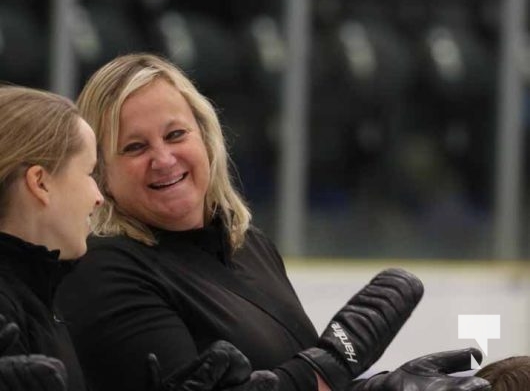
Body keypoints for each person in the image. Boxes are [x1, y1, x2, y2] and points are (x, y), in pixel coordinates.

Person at [55, 53, 490, 391]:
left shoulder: (250, 246)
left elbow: (293, 376)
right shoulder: (103, 269)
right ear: (102, 173)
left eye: (175, 135)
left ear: (206, 139)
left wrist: (381, 386)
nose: (163, 159)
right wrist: (332, 364)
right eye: (134, 147)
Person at [0, 85, 279, 391]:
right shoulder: (19, 303)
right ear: (40, 183)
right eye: (89, 173)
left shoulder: (39, 295)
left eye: (176, 135)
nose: (98, 196)